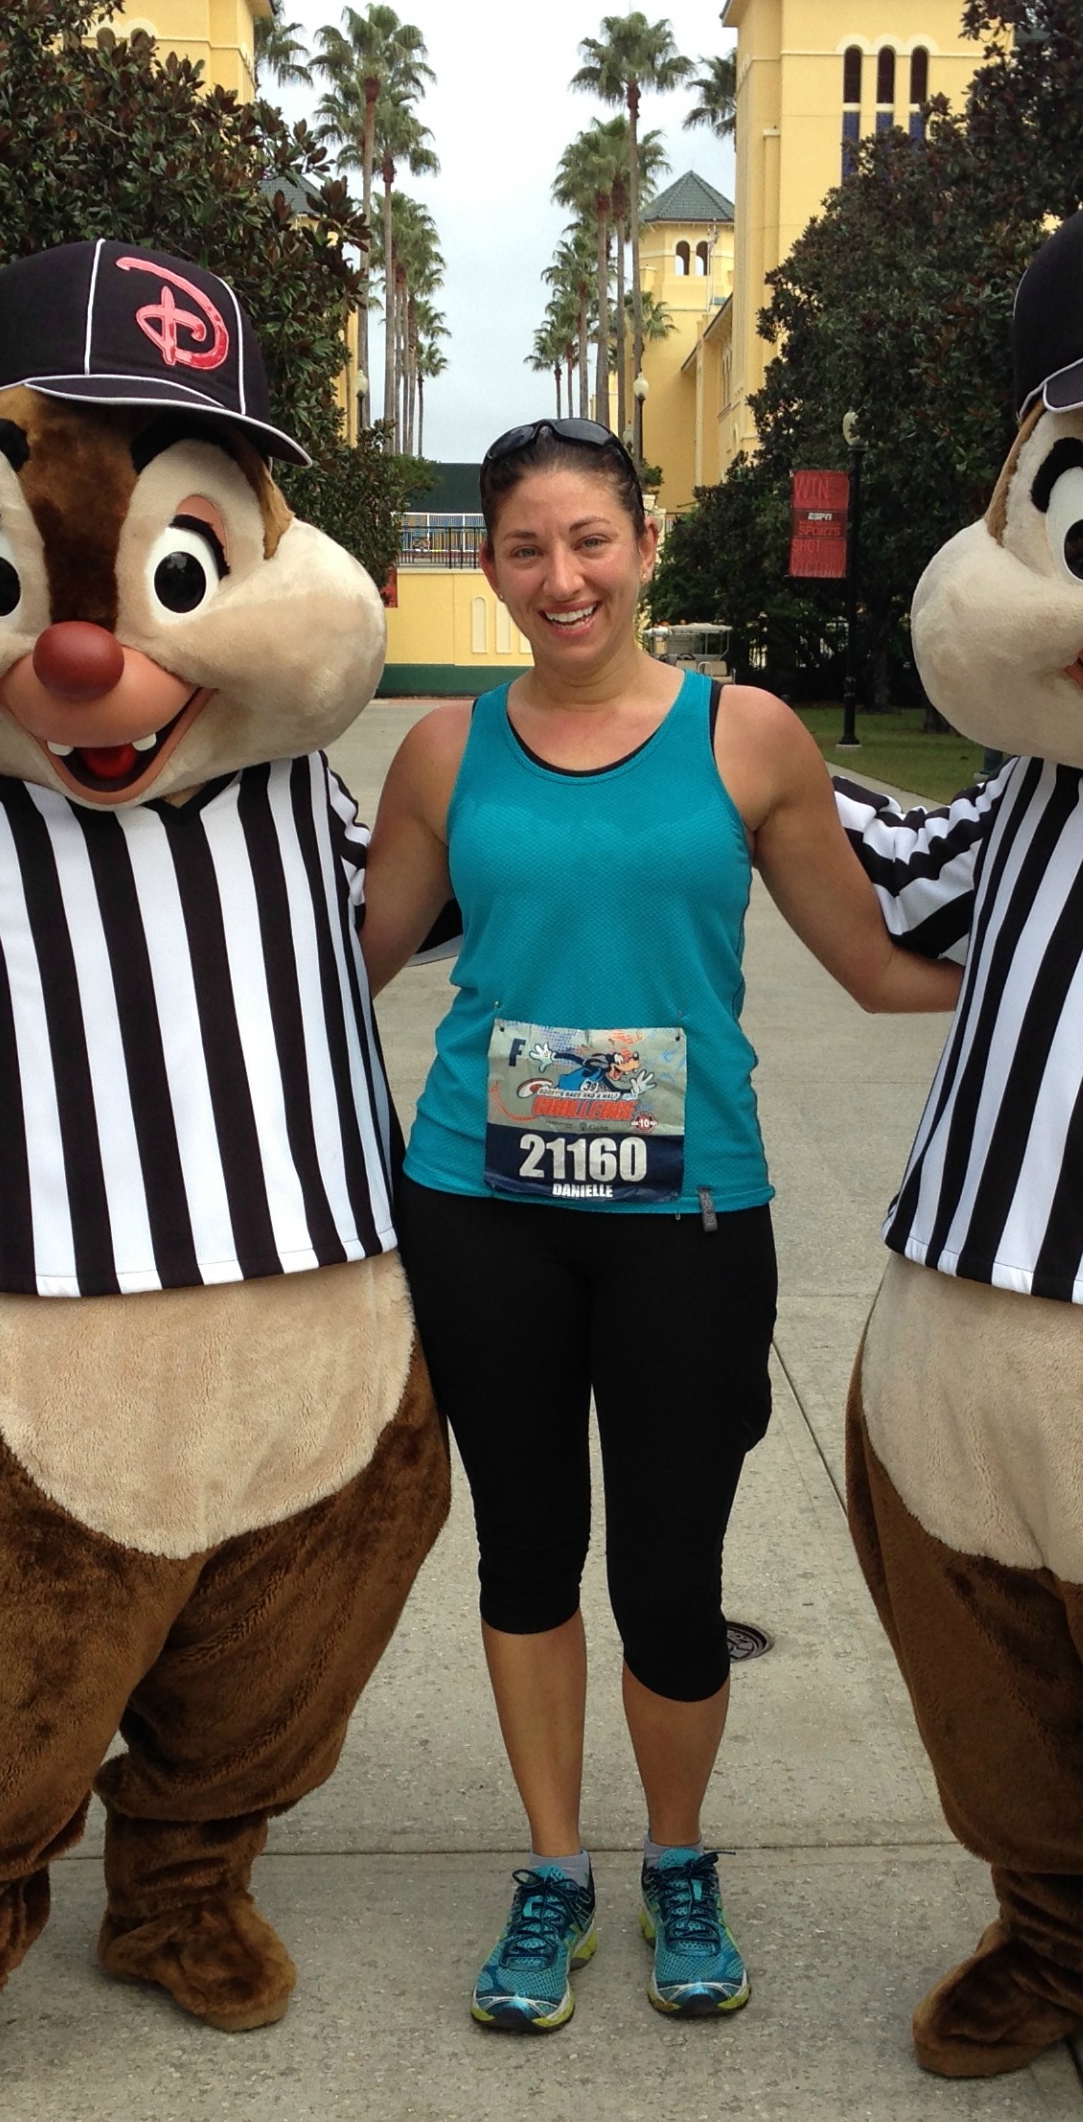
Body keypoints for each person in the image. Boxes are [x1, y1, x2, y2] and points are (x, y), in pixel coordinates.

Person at [358, 417, 961, 2032]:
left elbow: (869, 963)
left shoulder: (746, 737)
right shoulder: (441, 755)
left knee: (672, 1574)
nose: (561, 577)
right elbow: (352, 963)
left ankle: (677, 1859)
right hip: (481, 1204)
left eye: (589, 541)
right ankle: (553, 1869)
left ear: (643, 544)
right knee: (524, 1551)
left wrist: (1066, 982)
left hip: (686, 1214)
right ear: (492, 568)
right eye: (525, 548)